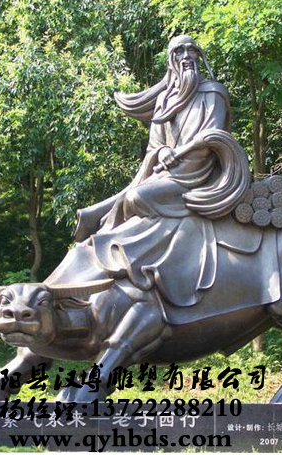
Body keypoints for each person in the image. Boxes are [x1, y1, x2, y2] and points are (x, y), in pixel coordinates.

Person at [72, 35, 250, 308]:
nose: (186, 56)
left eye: (192, 50)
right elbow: (155, 146)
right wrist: (163, 151)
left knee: (136, 197)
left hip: (195, 174)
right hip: (165, 171)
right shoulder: (165, 99)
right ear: (171, 60)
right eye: (179, 51)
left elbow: (211, 137)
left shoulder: (213, 92)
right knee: (131, 196)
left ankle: (133, 252)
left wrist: (181, 154)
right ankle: (105, 232)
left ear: (199, 57)